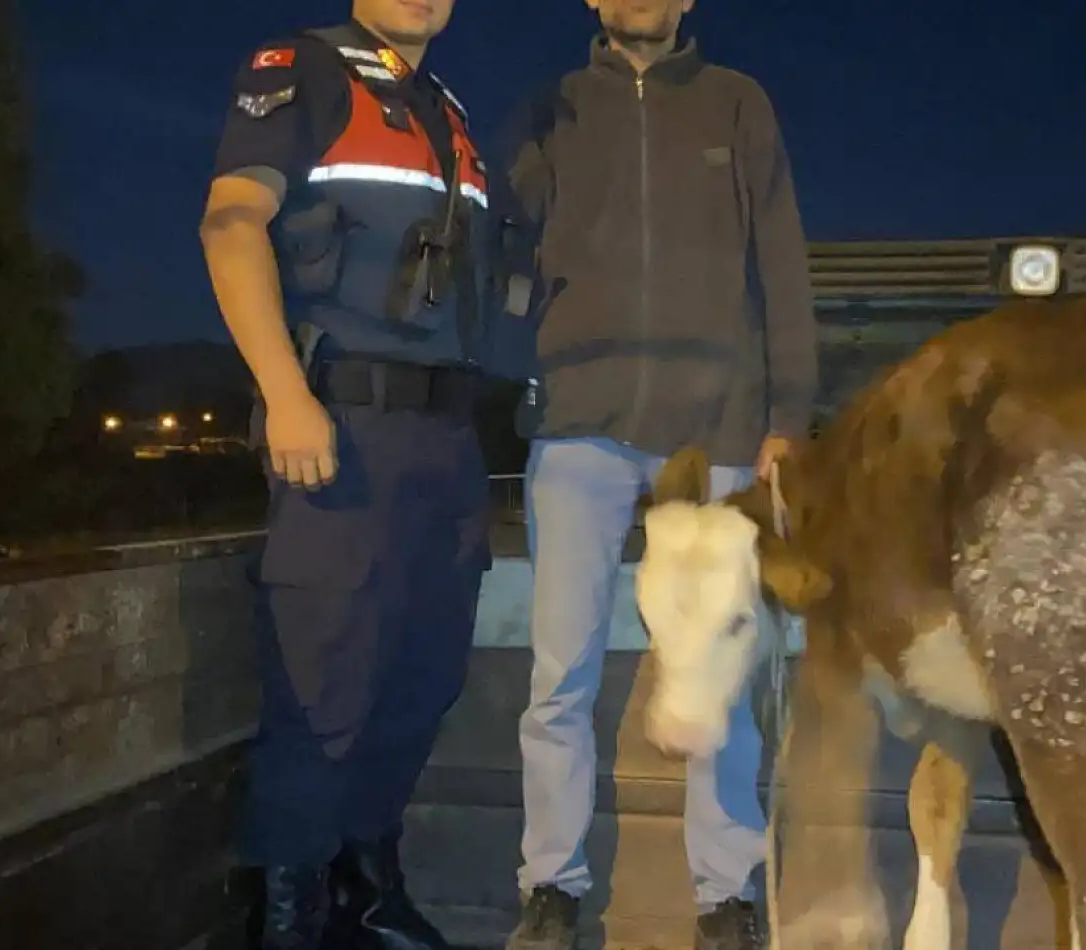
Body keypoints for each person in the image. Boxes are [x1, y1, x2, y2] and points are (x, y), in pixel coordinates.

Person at [199, 1, 527, 947]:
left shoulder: (446, 111)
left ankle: (366, 887)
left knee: (423, 677)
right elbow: (231, 225)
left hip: (446, 442)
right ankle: (289, 913)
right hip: (346, 428)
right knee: (322, 685)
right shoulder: (301, 69)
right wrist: (285, 392)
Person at [491, 2, 818, 949]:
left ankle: (727, 891)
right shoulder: (550, 109)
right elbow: (503, 243)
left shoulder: (737, 104)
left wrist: (786, 417)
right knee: (560, 674)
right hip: (581, 427)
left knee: (724, 666)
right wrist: (529, 366)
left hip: (715, 427)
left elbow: (783, 262)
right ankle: (551, 885)